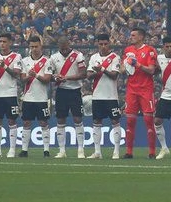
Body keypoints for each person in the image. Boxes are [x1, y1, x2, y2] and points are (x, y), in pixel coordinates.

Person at [122, 27, 158, 159]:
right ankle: (129, 152)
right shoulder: (128, 50)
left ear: (141, 37)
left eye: (133, 35)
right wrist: (124, 66)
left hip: (145, 90)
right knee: (130, 121)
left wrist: (138, 65)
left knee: (149, 120)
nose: (130, 37)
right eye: (130, 35)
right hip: (131, 90)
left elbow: (151, 70)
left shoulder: (150, 50)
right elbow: (122, 68)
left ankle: (152, 152)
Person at [49, 34, 86, 159]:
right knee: (60, 120)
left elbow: (83, 74)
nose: (64, 51)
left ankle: (80, 150)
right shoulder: (54, 57)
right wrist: (56, 77)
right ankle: (62, 150)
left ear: (69, 45)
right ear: (59, 47)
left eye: (66, 48)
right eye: (62, 49)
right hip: (61, 91)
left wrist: (67, 77)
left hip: (75, 91)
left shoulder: (78, 55)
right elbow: (50, 74)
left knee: (78, 119)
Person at [86, 32, 122, 160]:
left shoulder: (115, 57)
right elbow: (89, 76)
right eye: (100, 44)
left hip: (111, 96)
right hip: (97, 95)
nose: (103, 46)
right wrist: (96, 72)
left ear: (109, 44)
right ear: (97, 44)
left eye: (105, 44)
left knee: (115, 121)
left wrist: (101, 69)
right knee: (96, 122)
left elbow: (114, 75)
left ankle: (116, 151)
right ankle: (97, 152)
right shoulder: (93, 57)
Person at [17, 36, 53, 157]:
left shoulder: (47, 61)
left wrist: (36, 75)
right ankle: (24, 150)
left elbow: (47, 80)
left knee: (44, 123)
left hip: (41, 98)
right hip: (28, 98)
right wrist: (29, 76)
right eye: (32, 46)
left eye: (36, 46)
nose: (34, 49)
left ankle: (46, 150)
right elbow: (22, 79)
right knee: (26, 123)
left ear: (40, 46)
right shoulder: (25, 61)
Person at [0, 33, 22, 159]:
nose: (2, 44)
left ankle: (12, 150)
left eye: (4, 41)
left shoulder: (16, 56)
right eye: (0, 41)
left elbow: (16, 74)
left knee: (12, 121)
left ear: (10, 43)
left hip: (11, 93)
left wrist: (5, 66)